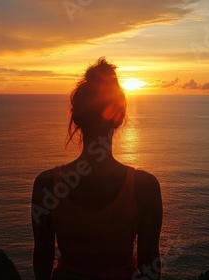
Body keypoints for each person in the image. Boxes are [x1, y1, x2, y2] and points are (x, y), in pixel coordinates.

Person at [31, 58, 163, 280]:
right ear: (119, 119)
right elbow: (150, 266)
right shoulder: (145, 187)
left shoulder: (46, 184)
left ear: (76, 118)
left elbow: (42, 259)